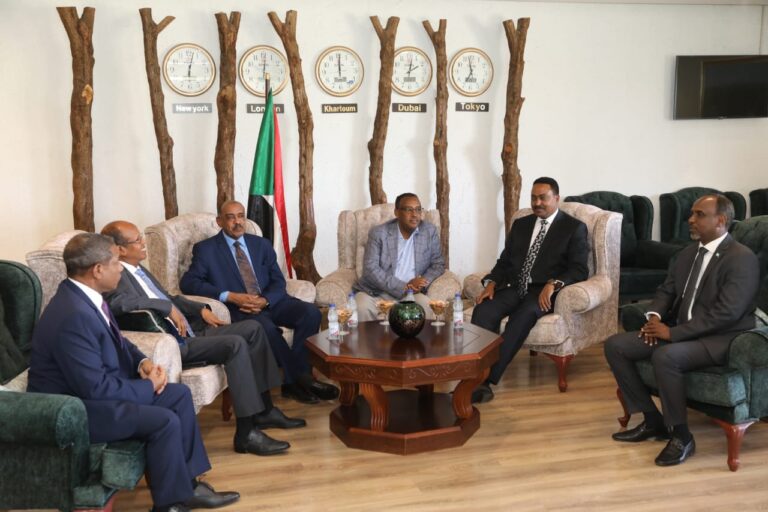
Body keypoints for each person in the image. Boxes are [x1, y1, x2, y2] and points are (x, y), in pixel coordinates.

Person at [27, 233, 239, 512]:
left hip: (93, 396)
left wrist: (143, 363)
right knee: (163, 420)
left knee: (178, 395)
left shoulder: (85, 297)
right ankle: (170, 505)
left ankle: (187, 487)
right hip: (76, 412)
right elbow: (95, 389)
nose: (120, 269)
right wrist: (148, 386)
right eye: (116, 262)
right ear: (97, 269)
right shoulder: (72, 315)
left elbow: (120, 341)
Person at [101, 221, 304, 457]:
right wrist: (165, 307)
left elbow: (170, 297)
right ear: (120, 249)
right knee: (235, 344)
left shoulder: (140, 270)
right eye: (137, 240)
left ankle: (265, 410)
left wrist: (200, 310)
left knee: (253, 328)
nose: (143, 242)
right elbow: (117, 303)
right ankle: (246, 433)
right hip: (175, 342)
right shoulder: (115, 274)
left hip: (192, 330)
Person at [604, 194, 759, 467]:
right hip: (683, 331)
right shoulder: (688, 253)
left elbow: (727, 313)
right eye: (692, 213)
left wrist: (672, 334)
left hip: (721, 339)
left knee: (666, 356)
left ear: (721, 220)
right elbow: (667, 290)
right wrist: (654, 316)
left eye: (700, 214)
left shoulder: (741, 258)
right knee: (616, 345)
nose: (691, 219)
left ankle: (681, 436)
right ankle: (653, 420)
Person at [179, 200, 338, 404]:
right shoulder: (206, 249)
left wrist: (266, 300)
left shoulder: (260, 244)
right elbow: (189, 283)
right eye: (230, 217)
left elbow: (278, 281)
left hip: (270, 302)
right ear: (219, 221)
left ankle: (295, 380)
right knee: (265, 328)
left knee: (311, 313)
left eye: (241, 216)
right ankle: (301, 381)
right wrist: (229, 296)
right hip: (241, 309)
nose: (237, 222)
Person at [471, 177, 589, 403]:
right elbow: (505, 261)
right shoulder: (521, 224)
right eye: (533, 198)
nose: (537, 203)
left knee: (522, 316)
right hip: (515, 286)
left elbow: (579, 269)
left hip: (543, 293)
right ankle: (474, 374)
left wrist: (553, 284)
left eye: (543, 198)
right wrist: (492, 282)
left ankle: (485, 381)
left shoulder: (573, 228)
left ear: (556, 198)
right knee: (484, 309)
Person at [353, 193, 446, 321]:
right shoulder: (379, 233)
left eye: (418, 209)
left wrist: (422, 282)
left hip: (412, 294)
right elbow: (370, 269)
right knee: (361, 307)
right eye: (409, 210)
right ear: (397, 212)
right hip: (376, 292)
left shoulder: (429, 231)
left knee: (425, 306)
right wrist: (404, 286)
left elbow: (438, 263)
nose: (415, 214)